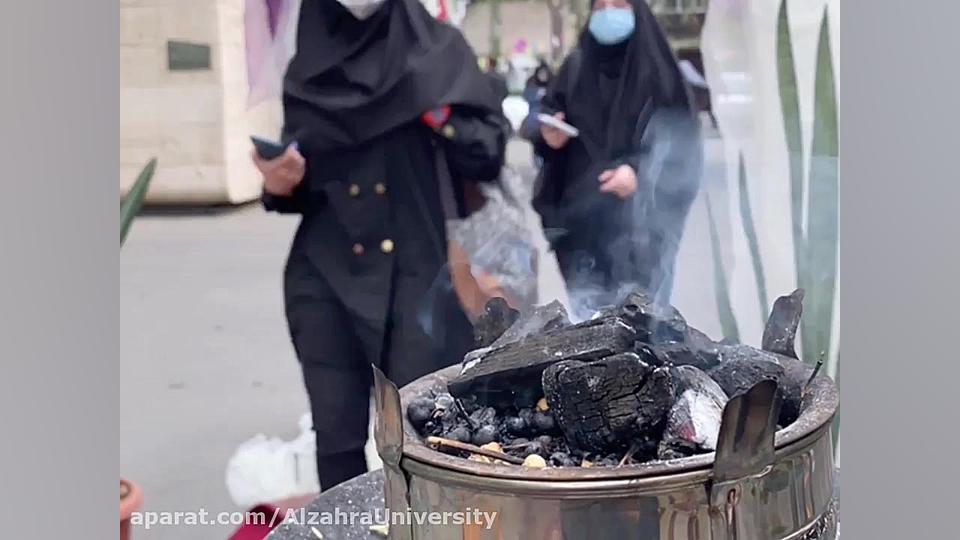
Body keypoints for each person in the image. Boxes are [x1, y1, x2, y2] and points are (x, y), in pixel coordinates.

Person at [252, 0, 509, 490]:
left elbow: (488, 154)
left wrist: (436, 112)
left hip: (417, 278)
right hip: (324, 276)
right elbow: (306, 180)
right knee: (336, 440)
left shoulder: (439, 54)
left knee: (428, 438)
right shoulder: (311, 70)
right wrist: (281, 183)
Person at [532, 0, 703, 315]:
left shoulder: (660, 73)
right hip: (581, 226)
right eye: (600, 6)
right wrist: (548, 134)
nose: (608, 13)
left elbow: (683, 144)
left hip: (641, 231)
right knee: (589, 325)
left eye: (618, 4)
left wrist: (640, 174)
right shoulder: (576, 68)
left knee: (640, 324)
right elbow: (548, 117)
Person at [520, 60, 554, 166]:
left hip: (548, 119)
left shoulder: (553, 83)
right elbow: (526, 96)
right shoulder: (531, 83)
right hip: (534, 120)